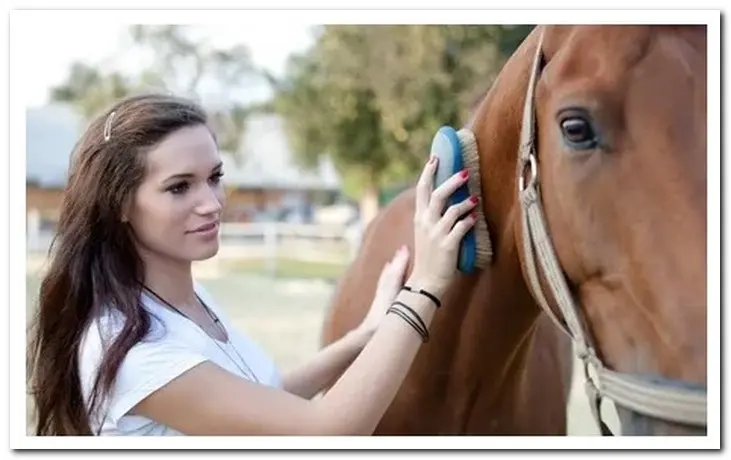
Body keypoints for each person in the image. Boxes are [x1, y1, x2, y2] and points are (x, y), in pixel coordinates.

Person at [26, 93, 479, 436]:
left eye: (215, 177)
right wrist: (426, 283)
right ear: (119, 203)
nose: (212, 203)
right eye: (180, 187)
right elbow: (327, 432)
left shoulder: (184, 300)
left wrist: (365, 336)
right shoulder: (130, 350)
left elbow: (262, 399)